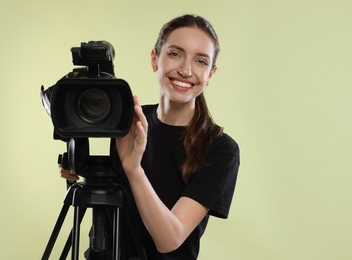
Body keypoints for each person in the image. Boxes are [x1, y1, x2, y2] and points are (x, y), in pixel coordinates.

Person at [60, 14, 240, 260]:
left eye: (200, 61)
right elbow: (106, 182)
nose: (186, 70)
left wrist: (134, 168)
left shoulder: (220, 149)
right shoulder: (125, 121)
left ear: (211, 74)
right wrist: (75, 166)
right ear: (155, 59)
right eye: (175, 54)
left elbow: (170, 240)